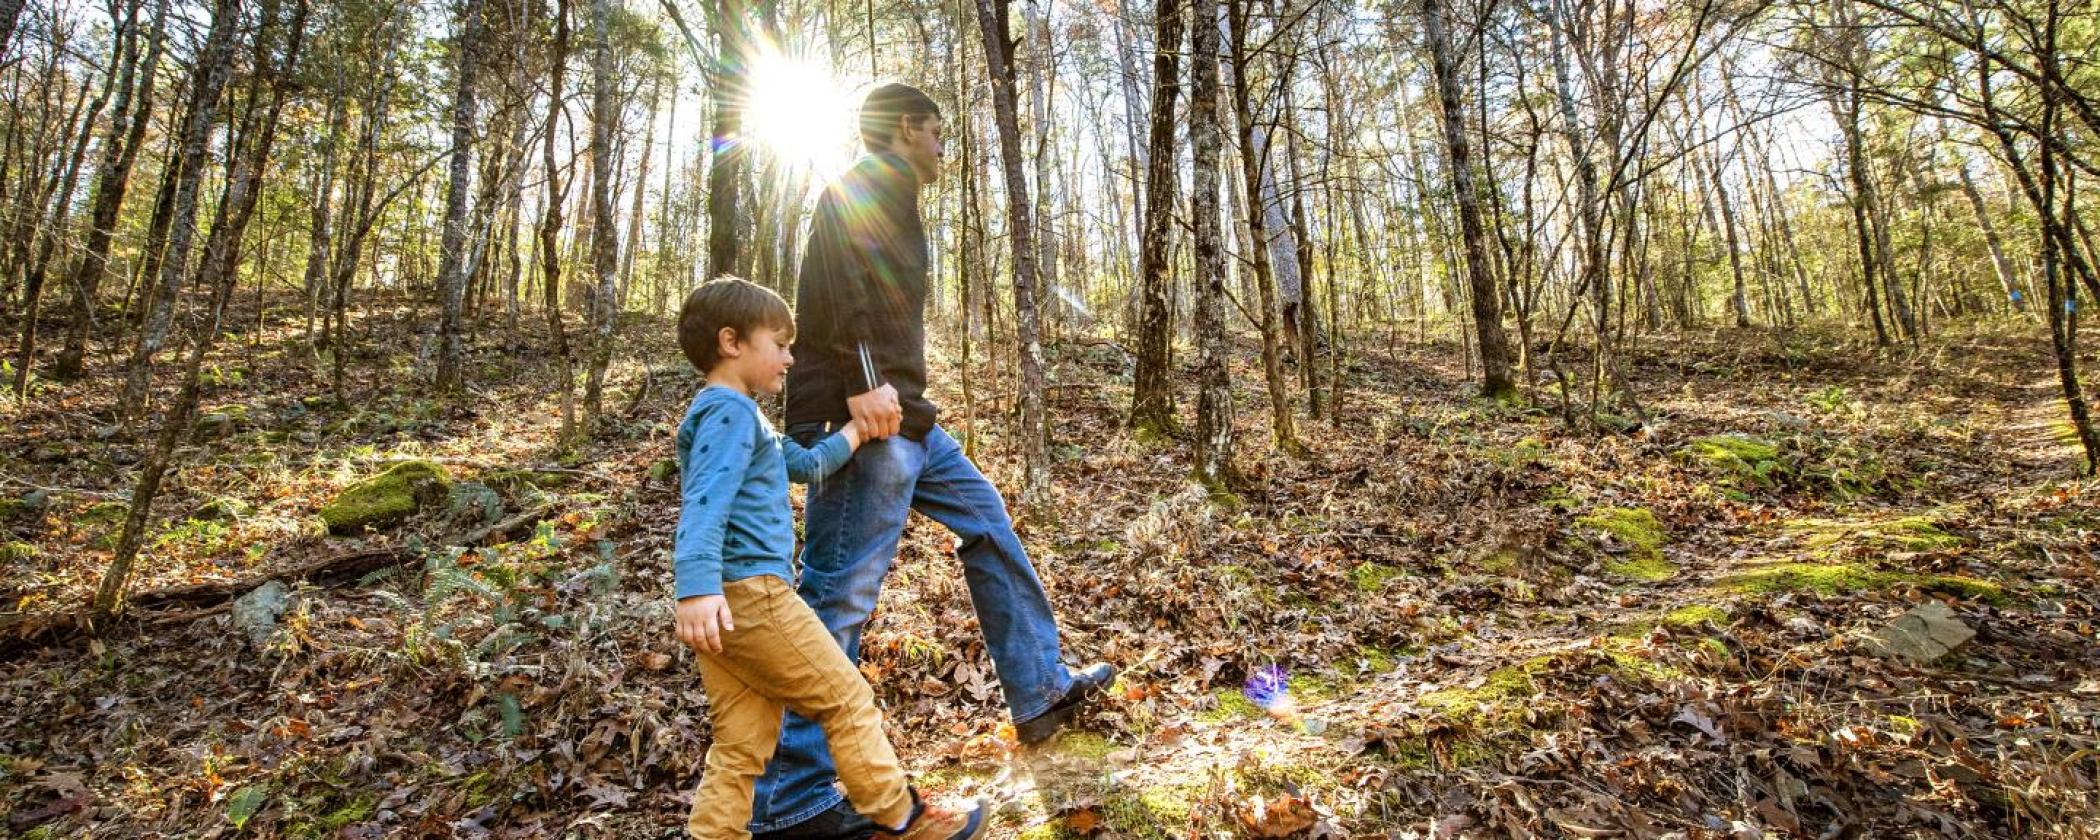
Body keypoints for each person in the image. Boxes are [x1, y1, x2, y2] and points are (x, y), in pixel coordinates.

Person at [747, 82, 1115, 840]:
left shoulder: (894, 193)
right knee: (839, 596)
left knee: (985, 518)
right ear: (907, 128)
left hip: (908, 415)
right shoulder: (862, 186)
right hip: (867, 415)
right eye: (938, 133)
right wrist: (861, 385)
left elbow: (872, 301)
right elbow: (838, 295)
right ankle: (793, 801)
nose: (944, 148)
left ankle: (1040, 690)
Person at [671, 277, 984, 840]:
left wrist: (856, 434)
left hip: (729, 608)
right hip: (749, 595)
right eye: (781, 343)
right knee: (845, 698)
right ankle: (901, 820)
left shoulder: (741, 415)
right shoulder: (727, 413)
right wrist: (695, 586)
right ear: (731, 342)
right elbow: (704, 501)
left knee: (740, 746)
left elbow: (807, 464)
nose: (791, 358)